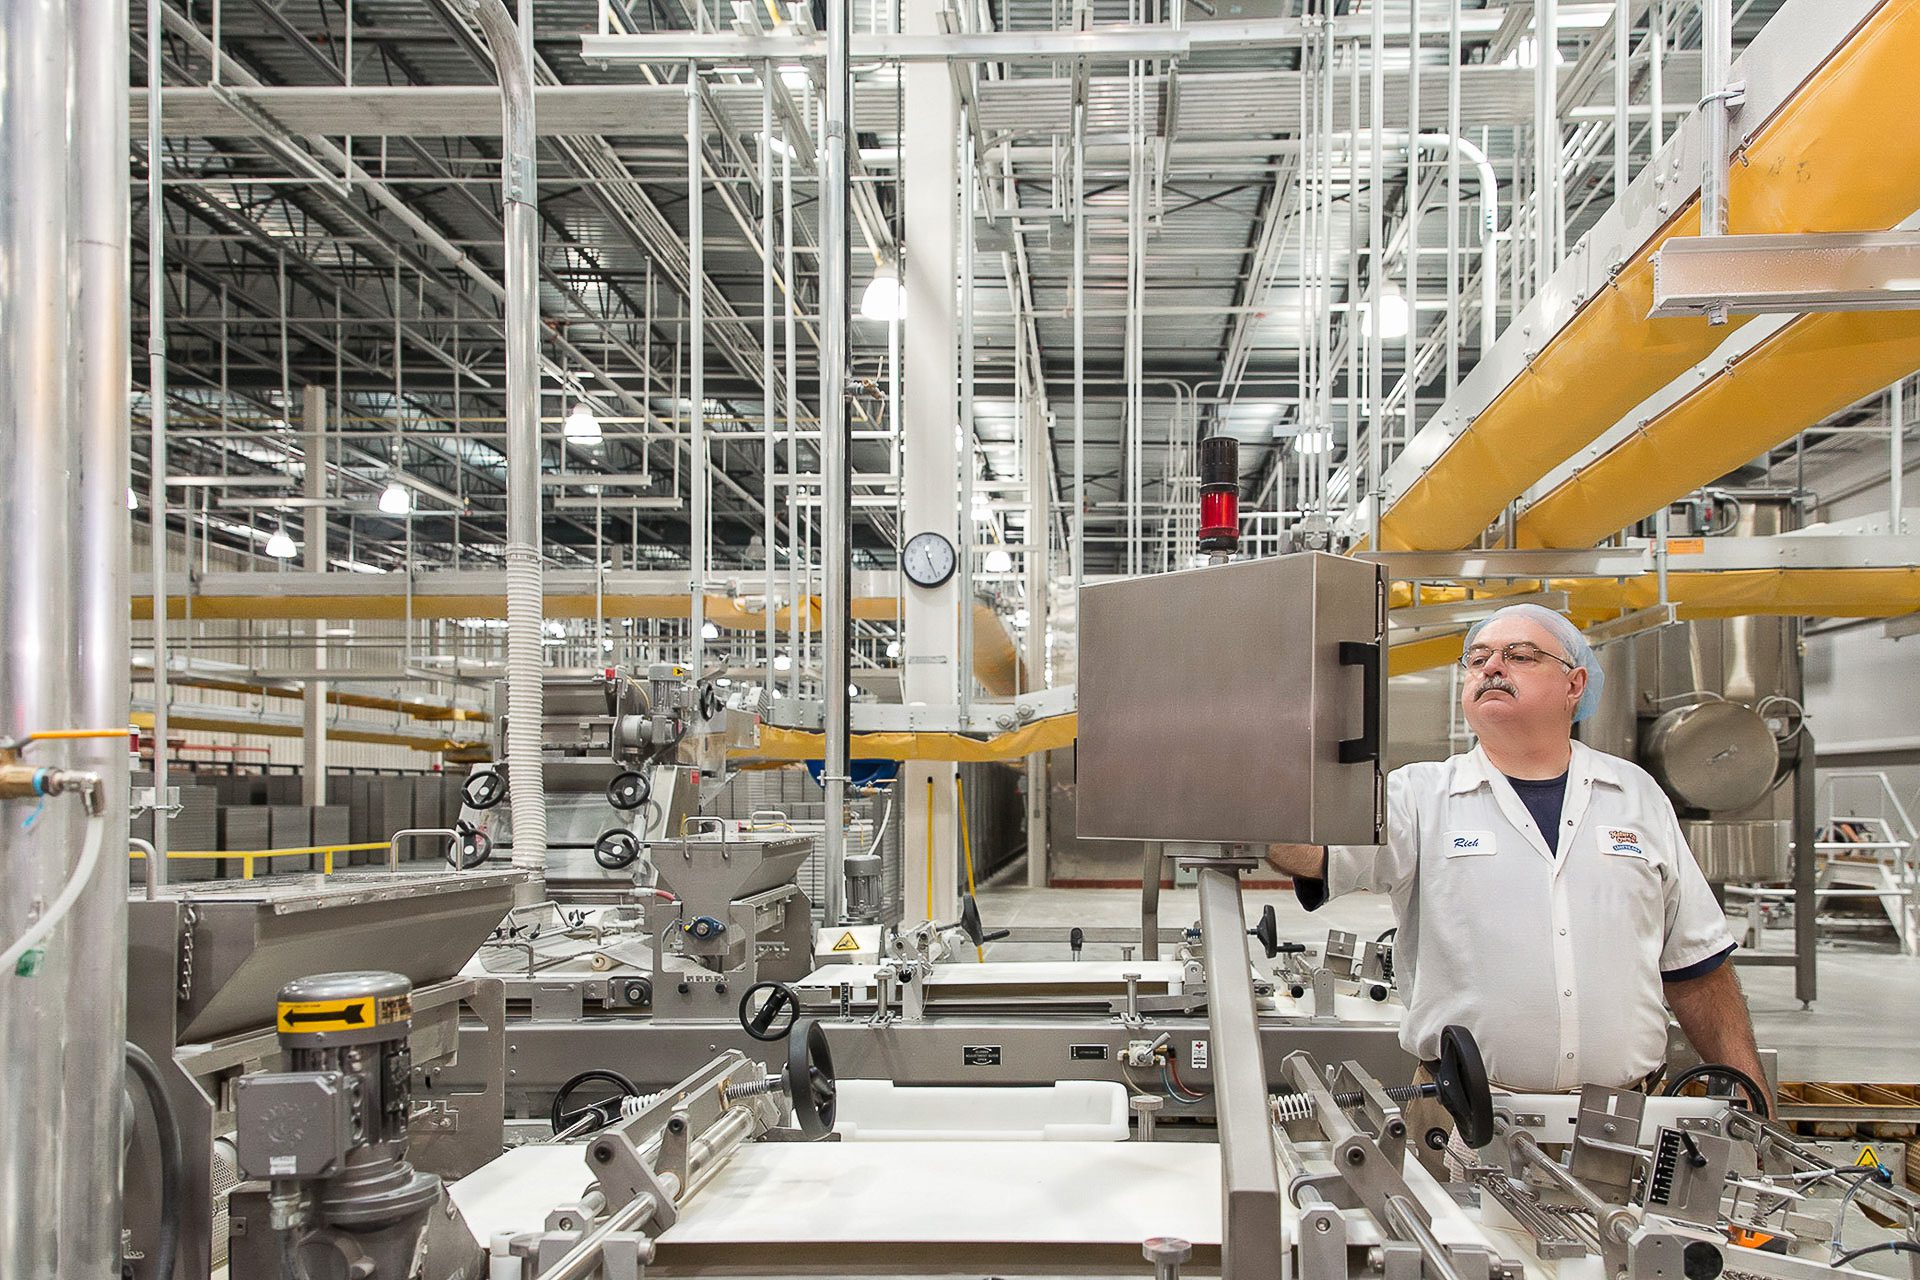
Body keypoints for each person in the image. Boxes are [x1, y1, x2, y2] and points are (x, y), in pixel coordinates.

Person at [1266, 603, 1769, 1156]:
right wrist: (1258, 760)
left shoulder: (1636, 795)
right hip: (1462, 1124)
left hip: (1627, 1125)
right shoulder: (1418, 797)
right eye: (1477, 659)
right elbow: (1309, 853)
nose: (1491, 668)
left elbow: (1698, 966)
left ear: (1574, 684)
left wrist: (1753, 1101)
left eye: (1519, 656)